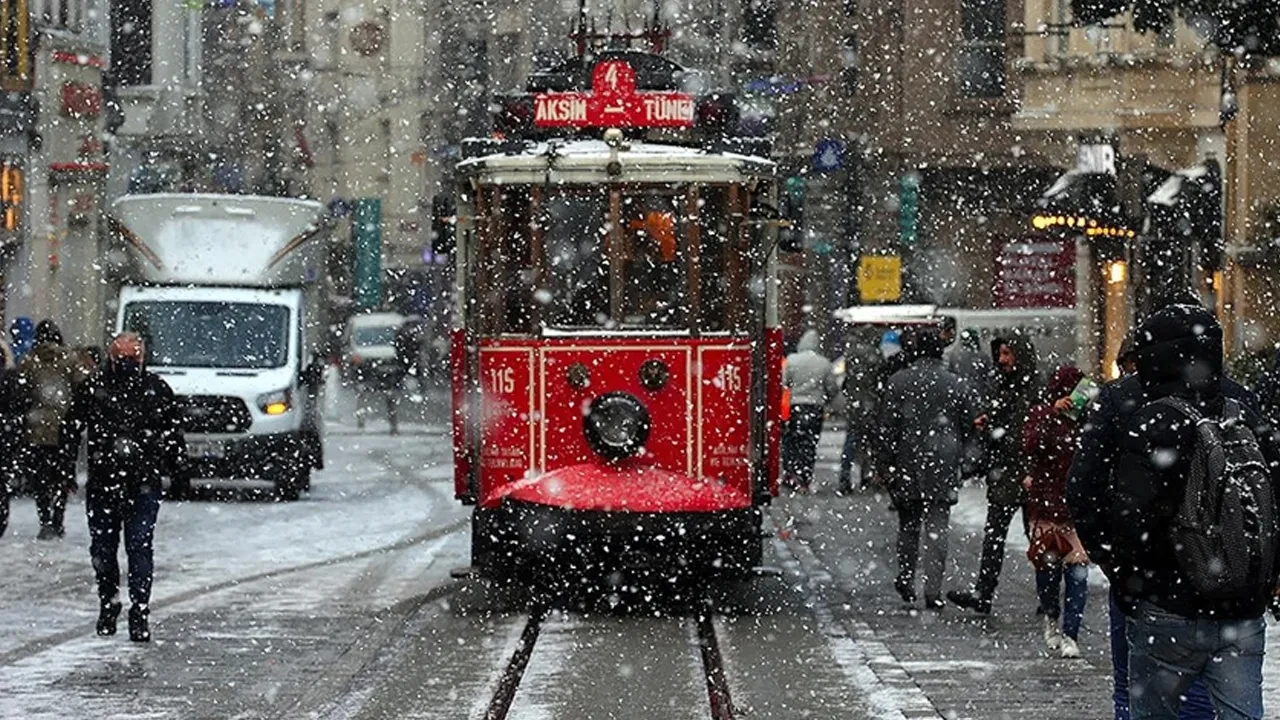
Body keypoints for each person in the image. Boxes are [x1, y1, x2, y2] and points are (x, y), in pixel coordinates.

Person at [1069, 304, 1277, 720]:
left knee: (1141, 697)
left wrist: (1124, 575)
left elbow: (1089, 491)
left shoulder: (1129, 405)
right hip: (1239, 599)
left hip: (1162, 594)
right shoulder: (1240, 406)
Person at [67, 333, 186, 642]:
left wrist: (176, 468)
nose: (128, 364)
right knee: (106, 550)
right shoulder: (95, 389)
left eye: (132, 358)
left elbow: (173, 434)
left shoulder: (155, 390)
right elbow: (70, 429)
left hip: (139, 483)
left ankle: (138, 610)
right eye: (123, 359)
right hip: (108, 482)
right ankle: (110, 604)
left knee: (138, 547)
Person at [878, 326, 978, 609]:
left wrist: (886, 464)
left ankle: (906, 578)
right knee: (938, 527)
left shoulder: (898, 382)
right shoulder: (955, 384)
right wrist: (966, 461)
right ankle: (932, 590)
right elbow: (969, 426)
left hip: (907, 461)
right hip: (943, 462)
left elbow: (887, 428)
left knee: (908, 525)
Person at [949, 332, 1039, 615]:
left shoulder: (1031, 388)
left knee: (1035, 537)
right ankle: (984, 592)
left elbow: (1021, 433)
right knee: (996, 536)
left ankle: (1046, 595)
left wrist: (995, 429)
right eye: (1000, 354)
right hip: (1007, 474)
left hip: (1026, 473)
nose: (1001, 360)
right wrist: (988, 423)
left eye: (1007, 354)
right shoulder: (1005, 385)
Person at [1022, 366, 1090, 659]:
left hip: (1077, 508)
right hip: (1047, 506)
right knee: (1048, 573)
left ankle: (1071, 633)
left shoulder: (1088, 419)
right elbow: (1030, 445)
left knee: (1077, 575)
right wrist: (1052, 414)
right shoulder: (1041, 415)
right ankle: (1051, 616)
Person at [16, 320, 89, 539]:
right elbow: (82, 386)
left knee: (40, 478)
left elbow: (22, 391)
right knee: (62, 475)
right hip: (64, 427)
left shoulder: (30, 361)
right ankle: (58, 517)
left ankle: (45, 519)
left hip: (36, 428)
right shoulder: (70, 360)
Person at [782, 329, 837, 491]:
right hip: (815, 407)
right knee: (810, 443)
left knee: (793, 441)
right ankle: (805, 476)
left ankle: (792, 472)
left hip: (796, 406)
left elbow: (784, 382)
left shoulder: (792, 360)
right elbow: (832, 388)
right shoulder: (824, 363)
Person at [837, 328, 882, 494]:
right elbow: (878, 378)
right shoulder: (875, 355)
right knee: (869, 442)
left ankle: (844, 477)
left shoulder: (851, 354)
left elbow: (848, 379)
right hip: (869, 404)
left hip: (854, 403)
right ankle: (866, 476)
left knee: (851, 440)